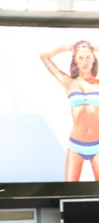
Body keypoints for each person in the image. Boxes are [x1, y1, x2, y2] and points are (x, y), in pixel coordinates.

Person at [42, 41, 99, 180]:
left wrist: (94, 48)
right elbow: (44, 56)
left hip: (98, 145)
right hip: (76, 145)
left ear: (93, 59)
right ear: (75, 60)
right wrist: (66, 47)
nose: (84, 62)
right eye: (80, 57)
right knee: (69, 191)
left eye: (88, 57)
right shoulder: (69, 82)